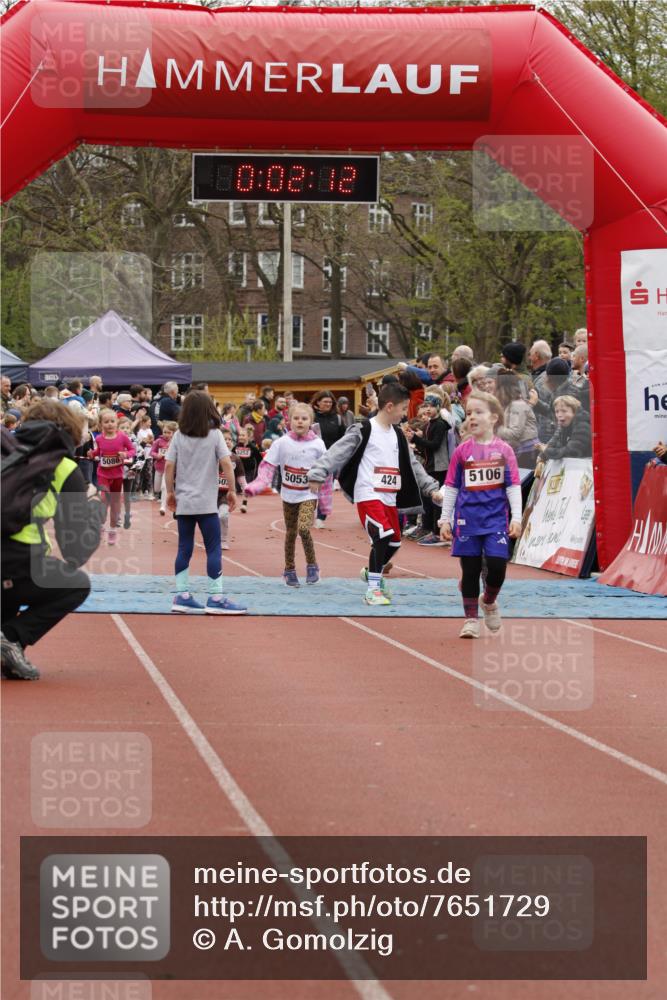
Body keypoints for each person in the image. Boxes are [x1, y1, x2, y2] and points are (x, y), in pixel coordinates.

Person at [308, 383, 443, 607]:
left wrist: (431, 488)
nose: (405, 414)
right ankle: (372, 589)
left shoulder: (398, 435)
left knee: (395, 542)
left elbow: (412, 465)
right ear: (390, 406)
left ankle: (371, 571)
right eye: (403, 409)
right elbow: (338, 451)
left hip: (389, 496)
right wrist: (318, 473)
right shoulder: (364, 429)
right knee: (382, 535)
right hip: (368, 492)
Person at [1, 399, 105, 680]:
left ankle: (6, 641)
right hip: (18, 561)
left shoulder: (5, 451)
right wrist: (95, 510)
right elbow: (76, 550)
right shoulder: (63, 468)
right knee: (75, 585)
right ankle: (10, 639)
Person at [438, 391, 522, 639]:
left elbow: (513, 485)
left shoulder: (505, 450)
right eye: (469, 412)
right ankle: (471, 619)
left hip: (496, 519)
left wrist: (516, 517)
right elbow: (452, 487)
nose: (472, 416)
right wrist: (445, 519)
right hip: (467, 520)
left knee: (497, 566)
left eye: (479, 412)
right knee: (470, 570)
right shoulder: (462, 452)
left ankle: (489, 600)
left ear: (494, 418)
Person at [164, 390, 246, 615]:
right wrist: (232, 490)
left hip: (185, 503)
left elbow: (169, 466)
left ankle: (182, 595)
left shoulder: (179, 436)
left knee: (184, 548)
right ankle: (216, 597)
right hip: (207, 504)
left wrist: (170, 492)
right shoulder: (215, 435)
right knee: (213, 548)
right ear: (210, 410)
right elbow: (227, 464)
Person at [245, 403, 333, 586]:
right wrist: (257, 485)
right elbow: (268, 466)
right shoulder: (281, 443)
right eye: (296, 418)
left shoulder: (318, 444)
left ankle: (312, 566)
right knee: (291, 533)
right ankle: (289, 569)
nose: (300, 421)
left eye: (304, 418)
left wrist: (325, 502)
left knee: (303, 528)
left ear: (311, 422)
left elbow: (327, 472)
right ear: (289, 420)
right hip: (288, 495)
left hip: (308, 495)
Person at [87, 408, 135, 544]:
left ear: (117, 423)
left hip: (118, 475)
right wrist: (92, 454)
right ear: (101, 424)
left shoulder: (122, 437)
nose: (109, 424)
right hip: (103, 474)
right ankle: (101, 526)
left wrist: (126, 454)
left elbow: (132, 450)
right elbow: (98, 452)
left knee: (114, 504)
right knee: (104, 499)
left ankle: (112, 530)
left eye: (112, 421)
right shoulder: (99, 439)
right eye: (106, 422)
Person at [411, 392, 450, 545]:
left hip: (439, 466)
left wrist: (416, 439)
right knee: (427, 499)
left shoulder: (439, 424)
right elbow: (426, 447)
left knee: (437, 500)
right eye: (426, 406)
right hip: (430, 465)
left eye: (432, 406)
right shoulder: (429, 424)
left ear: (438, 407)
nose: (428, 409)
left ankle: (436, 530)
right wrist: (416, 445)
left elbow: (434, 445)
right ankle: (427, 528)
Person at [495, 371, 541, 469]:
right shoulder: (511, 404)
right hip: (523, 452)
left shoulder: (517, 405)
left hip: (527, 453)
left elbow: (515, 434)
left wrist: (496, 428)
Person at [218, 430, 247, 550]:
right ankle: (211, 539)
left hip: (226, 494)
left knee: (223, 515)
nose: (228, 441)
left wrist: (246, 489)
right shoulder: (211, 456)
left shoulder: (235, 459)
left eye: (230, 439)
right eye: (225, 439)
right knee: (211, 519)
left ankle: (223, 540)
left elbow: (241, 477)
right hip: (210, 492)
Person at [540, 396, 592, 460]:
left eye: (564, 411)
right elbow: (556, 444)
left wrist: (547, 451)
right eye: (557, 411)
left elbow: (572, 452)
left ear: (574, 412)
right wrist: (543, 455)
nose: (559, 415)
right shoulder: (565, 426)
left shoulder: (583, 426)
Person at [151, 421, 177, 515]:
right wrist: (157, 455)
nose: (166, 434)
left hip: (168, 469)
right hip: (159, 468)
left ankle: (163, 507)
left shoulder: (175, 443)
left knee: (164, 487)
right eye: (165, 432)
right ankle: (158, 495)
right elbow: (152, 452)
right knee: (157, 488)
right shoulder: (158, 441)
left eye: (169, 433)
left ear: (173, 433)